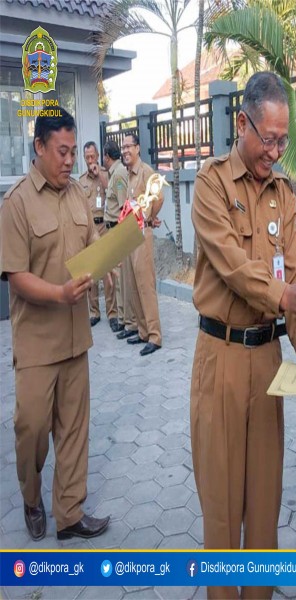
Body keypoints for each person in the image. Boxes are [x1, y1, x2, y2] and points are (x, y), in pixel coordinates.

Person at [190, 71, 296, 600]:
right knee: (223, 515)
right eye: (268, 139)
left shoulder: (285, 194)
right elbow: (233, 266)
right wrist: (286, 297)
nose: (276, 151)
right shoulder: (210, 184)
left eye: (283, 140)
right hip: (220, 359)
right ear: (242, 123)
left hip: (267, 360)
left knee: (265, 511)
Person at [0, 109, 110, 541]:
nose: (70, 160)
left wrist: (115, 250)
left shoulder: (78, 196)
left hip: (74, 338)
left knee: (74, 432)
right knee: (31, 429)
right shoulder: (17, 203)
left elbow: (94, 246)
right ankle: (31, 497)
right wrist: (61, 294)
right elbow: (16, 276)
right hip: (36, 344)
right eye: (62, 152)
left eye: (72, 151)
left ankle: (69, 514)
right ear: (40, 147)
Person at [119, 133, 163, 356]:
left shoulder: (146, 172)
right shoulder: (129, 174)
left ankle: (155, 336)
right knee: (134, 284)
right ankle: (144, 331)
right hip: (130, 234)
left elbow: (160, 196)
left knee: (145, 284)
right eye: (123, 147)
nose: (125, 150)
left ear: (137, 148)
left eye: (129, 146)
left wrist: (149, 217)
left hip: (141, 234)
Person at [80, 141, 118, 330]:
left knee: (108, 271)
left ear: (97, 155)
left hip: (105, 226)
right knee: (92, 274)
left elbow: (112, 192)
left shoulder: (106, 174)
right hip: (90, 229)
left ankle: (112, 313)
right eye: (87, 157)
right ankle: (94, 312)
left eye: (93, 156)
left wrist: (99, 174)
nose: (90, 160)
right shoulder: (81, 181)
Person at [103, 140, 130, 333]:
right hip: (110, 229)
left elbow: (123, 207)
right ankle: (122, 317)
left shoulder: (119, 173)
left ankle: (123, 318)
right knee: (116, 275)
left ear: (106, 156)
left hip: (117, 229)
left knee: (119, 278)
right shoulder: (113, 173)